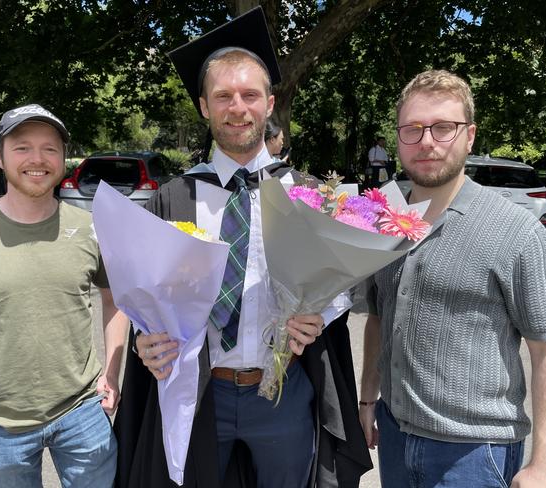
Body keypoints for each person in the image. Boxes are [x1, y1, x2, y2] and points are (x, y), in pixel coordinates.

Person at [114, 7, 371, 488]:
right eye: (223, 96)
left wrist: (322, 313)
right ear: (204, 106)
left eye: (250, 95)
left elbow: (340, 287)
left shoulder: (312, 196)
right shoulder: (171, 199)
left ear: (269, 103)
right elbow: (142, 302)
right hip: (200, 394)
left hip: (284, 393)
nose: (238, 107)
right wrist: (142, 340)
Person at [359, 70, 546, 487]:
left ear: (469, 135)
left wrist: (545, 462)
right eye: (412, 129)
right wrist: (367, 398)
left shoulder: (517, 232)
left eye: (443, 127)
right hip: (393, 436)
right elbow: (377, 315)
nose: (426, 141)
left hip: (474, 453)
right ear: (397, 140)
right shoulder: (385, 222)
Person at [0, 104, 128, 487]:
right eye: (22, 148)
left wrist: (112, 375)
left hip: (82, 411)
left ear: (64, 158)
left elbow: (114, 301)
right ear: (0, 157)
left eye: (50, 148)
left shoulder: (92, 229)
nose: (37, 159)